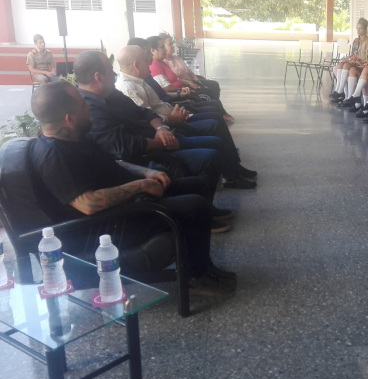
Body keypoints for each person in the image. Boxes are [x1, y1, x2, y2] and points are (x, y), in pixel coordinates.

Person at [28, 81, 236, 296]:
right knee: (194, 206)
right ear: (68, 119)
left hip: (125, 203)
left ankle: (203, 266)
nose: (88, 106)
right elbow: (88, 204)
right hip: (106, 225)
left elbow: (114, 162)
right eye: (83, 105)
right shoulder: (54, 156)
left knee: (195, 185)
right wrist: (140, 186)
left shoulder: (76, 137)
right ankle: (197, 277)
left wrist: (145, 173)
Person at [73, 50, 232, 206]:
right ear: (98, 77)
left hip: (161, 138)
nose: (115, 74)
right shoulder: (91, 110)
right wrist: (162, 142)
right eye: (110, 70)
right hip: (146, 156)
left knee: (215, 142)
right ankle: (203, 209)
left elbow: (144, 111)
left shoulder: (112, 94)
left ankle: (208, 201)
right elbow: (123, 147)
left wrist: (161, 128)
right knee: (210, 156)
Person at [114, 46, 257, 188]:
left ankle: (234, 167)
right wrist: (170, 119)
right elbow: (146, 121)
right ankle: (230, 175)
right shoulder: (128, 89)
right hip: (171, 127)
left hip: (172, 117)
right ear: (136, 65)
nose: (150, 63)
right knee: (213, 124)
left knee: (216, 117)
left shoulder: (139, 81)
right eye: (146, 60)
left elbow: (154, 108)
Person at [159, 32, 223, 102]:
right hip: (185, 86)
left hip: (191, 81)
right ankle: (216, 106)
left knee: (214, 84)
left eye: (172, 43)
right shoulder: (164, 63)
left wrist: (198, 81)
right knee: (208, 91)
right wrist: (190, 84)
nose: (173, 46)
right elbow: (173, 82)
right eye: (170, 44)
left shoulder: (176, 58)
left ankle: (218, 107)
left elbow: (189, 72)